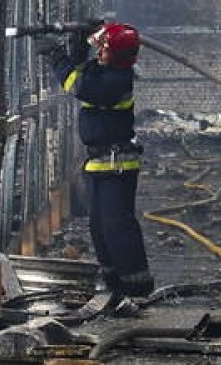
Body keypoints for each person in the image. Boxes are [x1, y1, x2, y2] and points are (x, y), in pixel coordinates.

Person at [39, 21, 155, 305]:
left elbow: (78, 86)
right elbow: (84, 72)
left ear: (117, 55)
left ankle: (137, 288)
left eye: (104, 49)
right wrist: (78, 46)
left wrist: (56, 55)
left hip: (116, 166)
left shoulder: (117, 80)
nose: (100, 53)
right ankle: (114, 284)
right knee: (100, 226)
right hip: (101, 163)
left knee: (117, 226)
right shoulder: (107, 72)